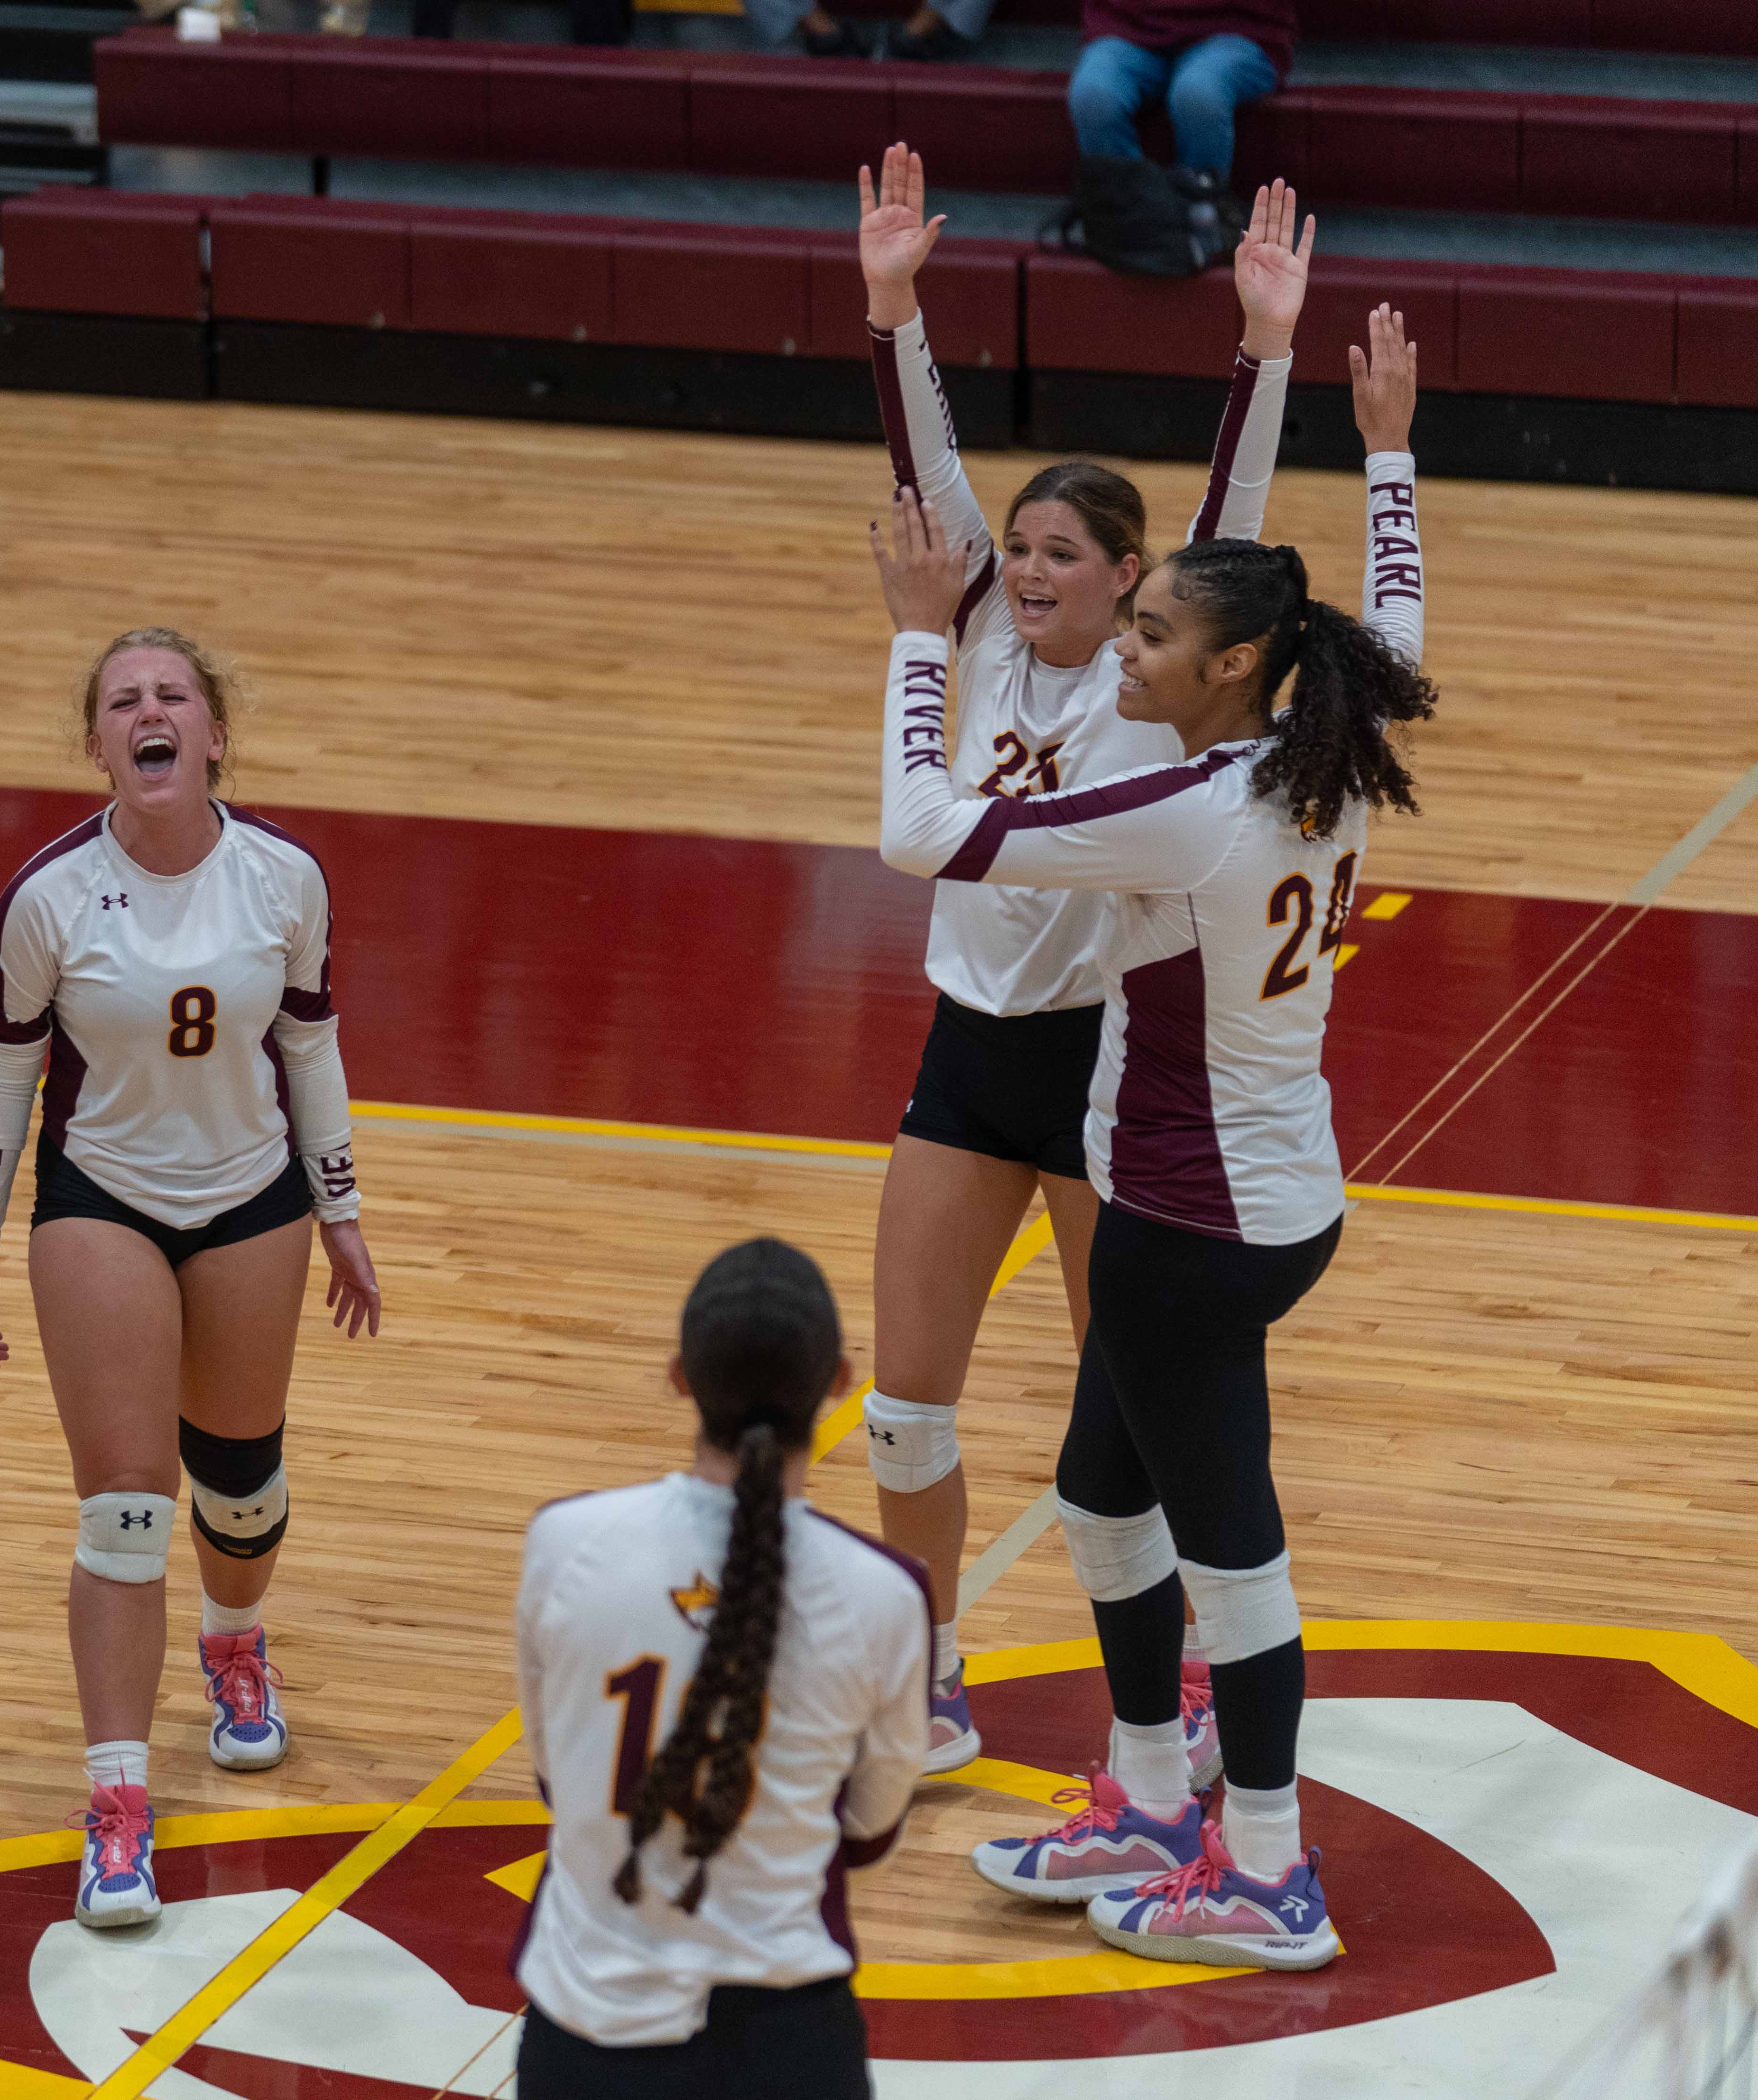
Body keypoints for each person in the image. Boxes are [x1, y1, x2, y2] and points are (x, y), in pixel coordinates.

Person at [869, 302, 1431, 1969]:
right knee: (1101, 1501)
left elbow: (922, 829)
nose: (1124, 652)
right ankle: (1141, 1791)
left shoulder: (1194, 807)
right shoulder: (1331, 742)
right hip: (1244, 1193)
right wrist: (1386, 452)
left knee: (1228, 1553)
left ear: (1230, 665)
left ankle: (1265, 1867)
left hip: (1197, 1224)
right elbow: (1390, 622)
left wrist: (918, 640)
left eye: (1154, 632)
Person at [856, 145, 1311, 1782]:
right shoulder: (974, 625)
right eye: (1021, 545)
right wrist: (892, 309)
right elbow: (922, 464)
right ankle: (927, 1667)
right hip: (966, 1058)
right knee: (902, 1407)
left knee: (1136, 1418)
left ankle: (1173, 1681)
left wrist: (1263, 350)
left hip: (1097, 1081)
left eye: (1066, 552)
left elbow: (1228, 526)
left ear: (1130, 581)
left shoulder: (1145, 683)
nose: (1032, 568)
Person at [0, 629, 381, 1930]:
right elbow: (0, 1079)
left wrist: (343, 1209)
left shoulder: (284, 878)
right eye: (125, 700)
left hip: (253, 1196)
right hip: (102, 1203)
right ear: (99, 745)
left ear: (213, 734)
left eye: (173, 695)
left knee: (239, 1490)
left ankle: (234, 1642)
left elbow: (310, 1046)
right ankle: (118, 1803)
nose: (151, 712)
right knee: (126, 1511)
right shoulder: (47, 898)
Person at [512, 1239, 928, 2098]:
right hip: (788, 2051)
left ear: (680, 1377)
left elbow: (557, 1774)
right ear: (840, 1380)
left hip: (588, 2038)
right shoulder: (885, 1592)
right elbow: (872, 1828)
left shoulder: (566, 1542)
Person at [1068, 0, 1296, 185]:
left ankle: (1202, 212)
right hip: (1127, 26)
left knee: (1199, 93)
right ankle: (1125, 212)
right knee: (1093, 94)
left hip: (1239, 27)